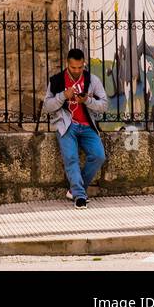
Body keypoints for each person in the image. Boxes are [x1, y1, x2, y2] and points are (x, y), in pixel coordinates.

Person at [43, 47, 108, 207]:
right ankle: (79, 196)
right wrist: (63, 96)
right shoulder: (57, 80)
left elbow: (104, 105)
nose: (77, 71)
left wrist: (87, 101)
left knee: (98, 156)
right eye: (73, 67)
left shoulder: (92, 80)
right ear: (67, 64)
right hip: (67, 125)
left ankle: (75, 189)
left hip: (87, 125)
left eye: (80, 67)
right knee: (71, 158)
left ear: (84, 64)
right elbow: (47, 106)